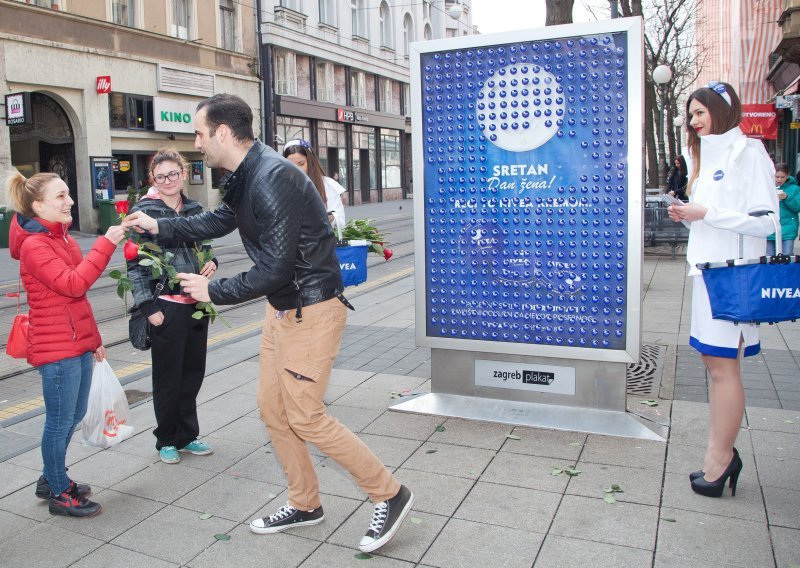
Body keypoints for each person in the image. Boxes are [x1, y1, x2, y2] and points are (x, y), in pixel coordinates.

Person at [122, 94, 413, 553]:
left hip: (310, 309)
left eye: (199, 133)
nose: (196, 143)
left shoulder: (273, 176)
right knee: (273, 410)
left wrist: (209, 291)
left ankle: (390, 494)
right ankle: (305, 503)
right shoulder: (246, 173)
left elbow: (274, 270)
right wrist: (161, 229)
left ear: (222, 132)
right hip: (284, 310)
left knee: (306, 415)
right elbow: (220, 219)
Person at [668, 81, 779, 498]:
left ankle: (720, 460)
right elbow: (716, 216)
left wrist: (706, 212)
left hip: (734, 276)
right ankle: (719, 456)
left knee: (723, 367)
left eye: (700, 112)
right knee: (714, 366)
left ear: (722, 110)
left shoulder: (749, 153)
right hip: (708, 272)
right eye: (691, 114)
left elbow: (768, 222)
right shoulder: (706, 155)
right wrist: (693, 216)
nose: (694, 121)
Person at [6, 171, 125, 517]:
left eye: (68, 194)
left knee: (71, 415)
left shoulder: (62, 239)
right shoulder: (34, 245)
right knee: (59, 421)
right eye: (60, 196)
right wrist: (106, 243)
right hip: (57, 350)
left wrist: (94, 341)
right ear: (38, 205)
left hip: (75, 342)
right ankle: (59, 492)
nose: (70, 201)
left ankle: (50, 478)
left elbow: (78, 300)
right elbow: (73, 284)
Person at [128, 148, 218, 464]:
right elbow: (134, 264)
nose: (168, 180)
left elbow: (206, 247)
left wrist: (212, 263)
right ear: (154, 178)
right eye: (161, 176)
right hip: (165, 305)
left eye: (174, 174)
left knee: (193, 372)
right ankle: (166, 438)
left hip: (196, 303)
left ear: (182, 174)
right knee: (168, 376)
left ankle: (187, 435)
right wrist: (147, 307)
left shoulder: (194, 209)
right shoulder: (144, 213)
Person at [282, 140, 346, 237]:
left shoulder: (327, 185)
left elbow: (341, 222)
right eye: (291, 165)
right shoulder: (281, 186)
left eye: (301, 163)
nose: (297, 169)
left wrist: (331, 219)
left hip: (321, 245)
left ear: (310, 161)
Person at [766, 163, 800, 256]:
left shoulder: (795, 189)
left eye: (782, 177)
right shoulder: (767, 188)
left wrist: (787, 198)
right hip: (770, 227)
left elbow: (797, 207)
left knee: (787, 255)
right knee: (769, 256)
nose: (779, 179)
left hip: (788, 229)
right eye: (777, 177)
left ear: (788, 176)